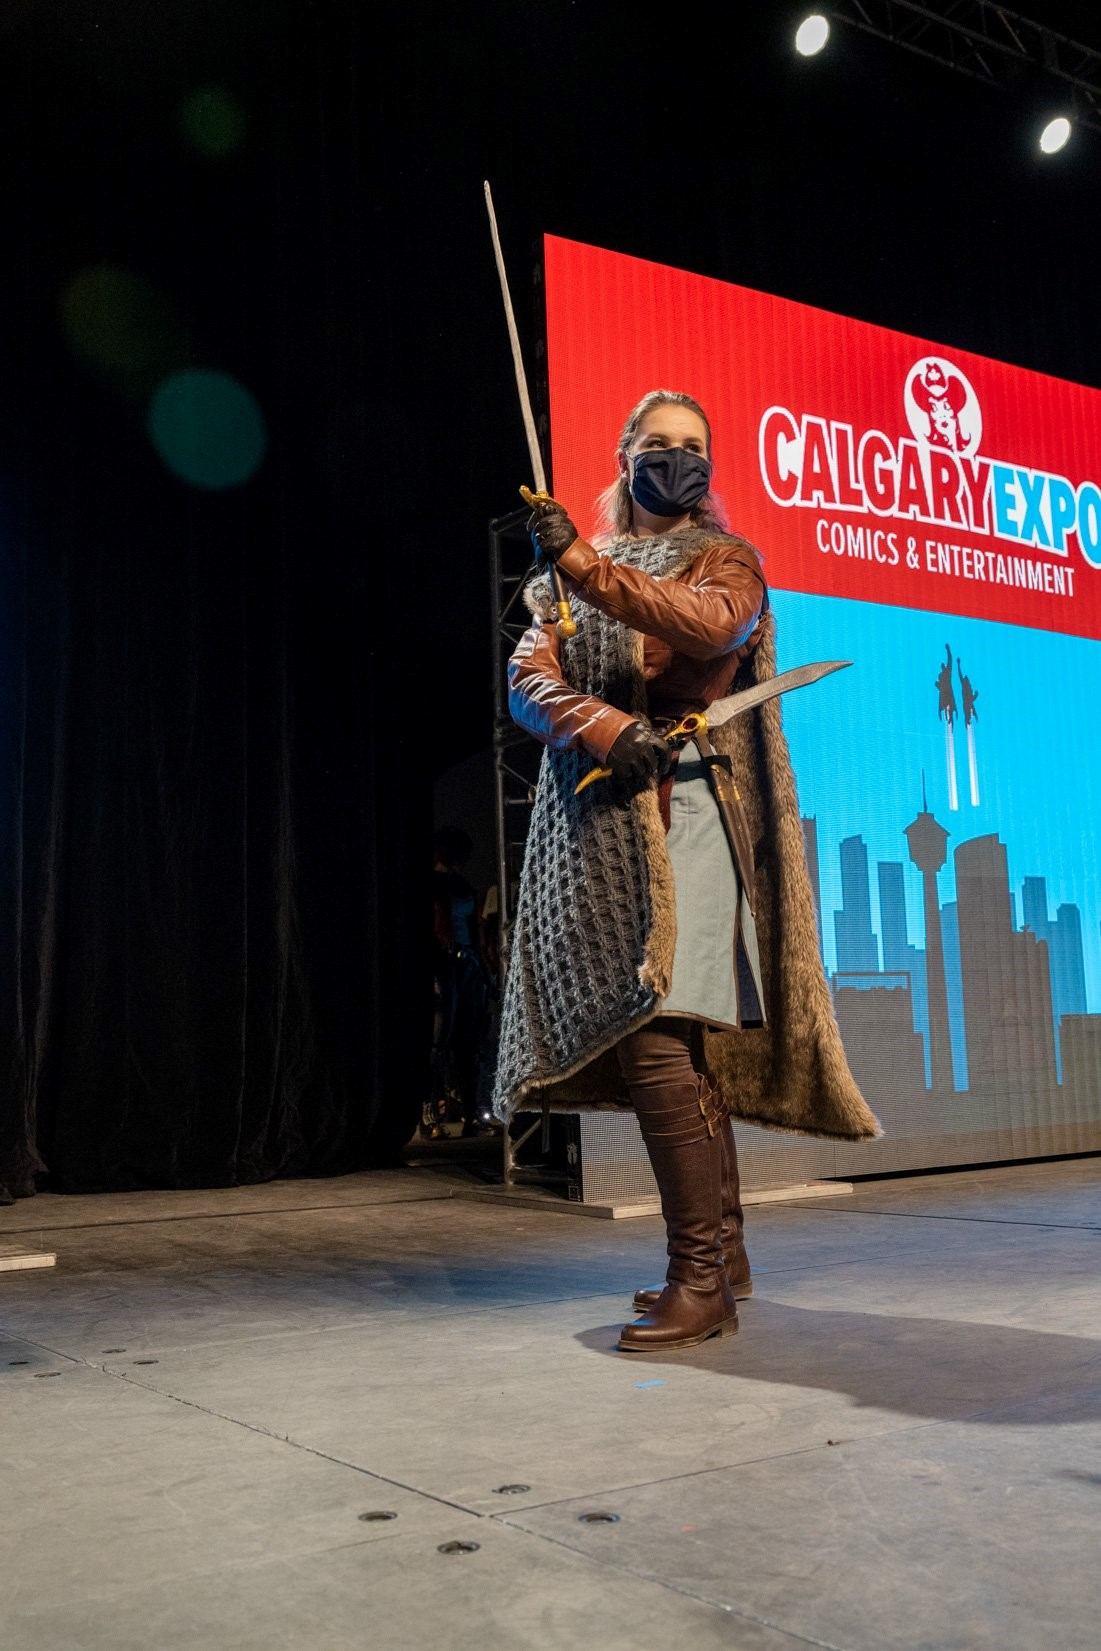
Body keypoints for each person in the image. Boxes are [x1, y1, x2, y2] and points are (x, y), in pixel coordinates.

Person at [492, 389, 880, 1352]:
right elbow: (530, 679)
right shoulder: (564, 581)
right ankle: (725, 1260)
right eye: (659, 445)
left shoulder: (726, 560)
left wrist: (582, 566)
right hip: (604, 821)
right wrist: (607, 724)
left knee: (661, 1033)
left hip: (693, 812)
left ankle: (697, 1277)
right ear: (625, 457)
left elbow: (706, 627)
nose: (678, 460)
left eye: (693, 447)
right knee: (676, 1047)